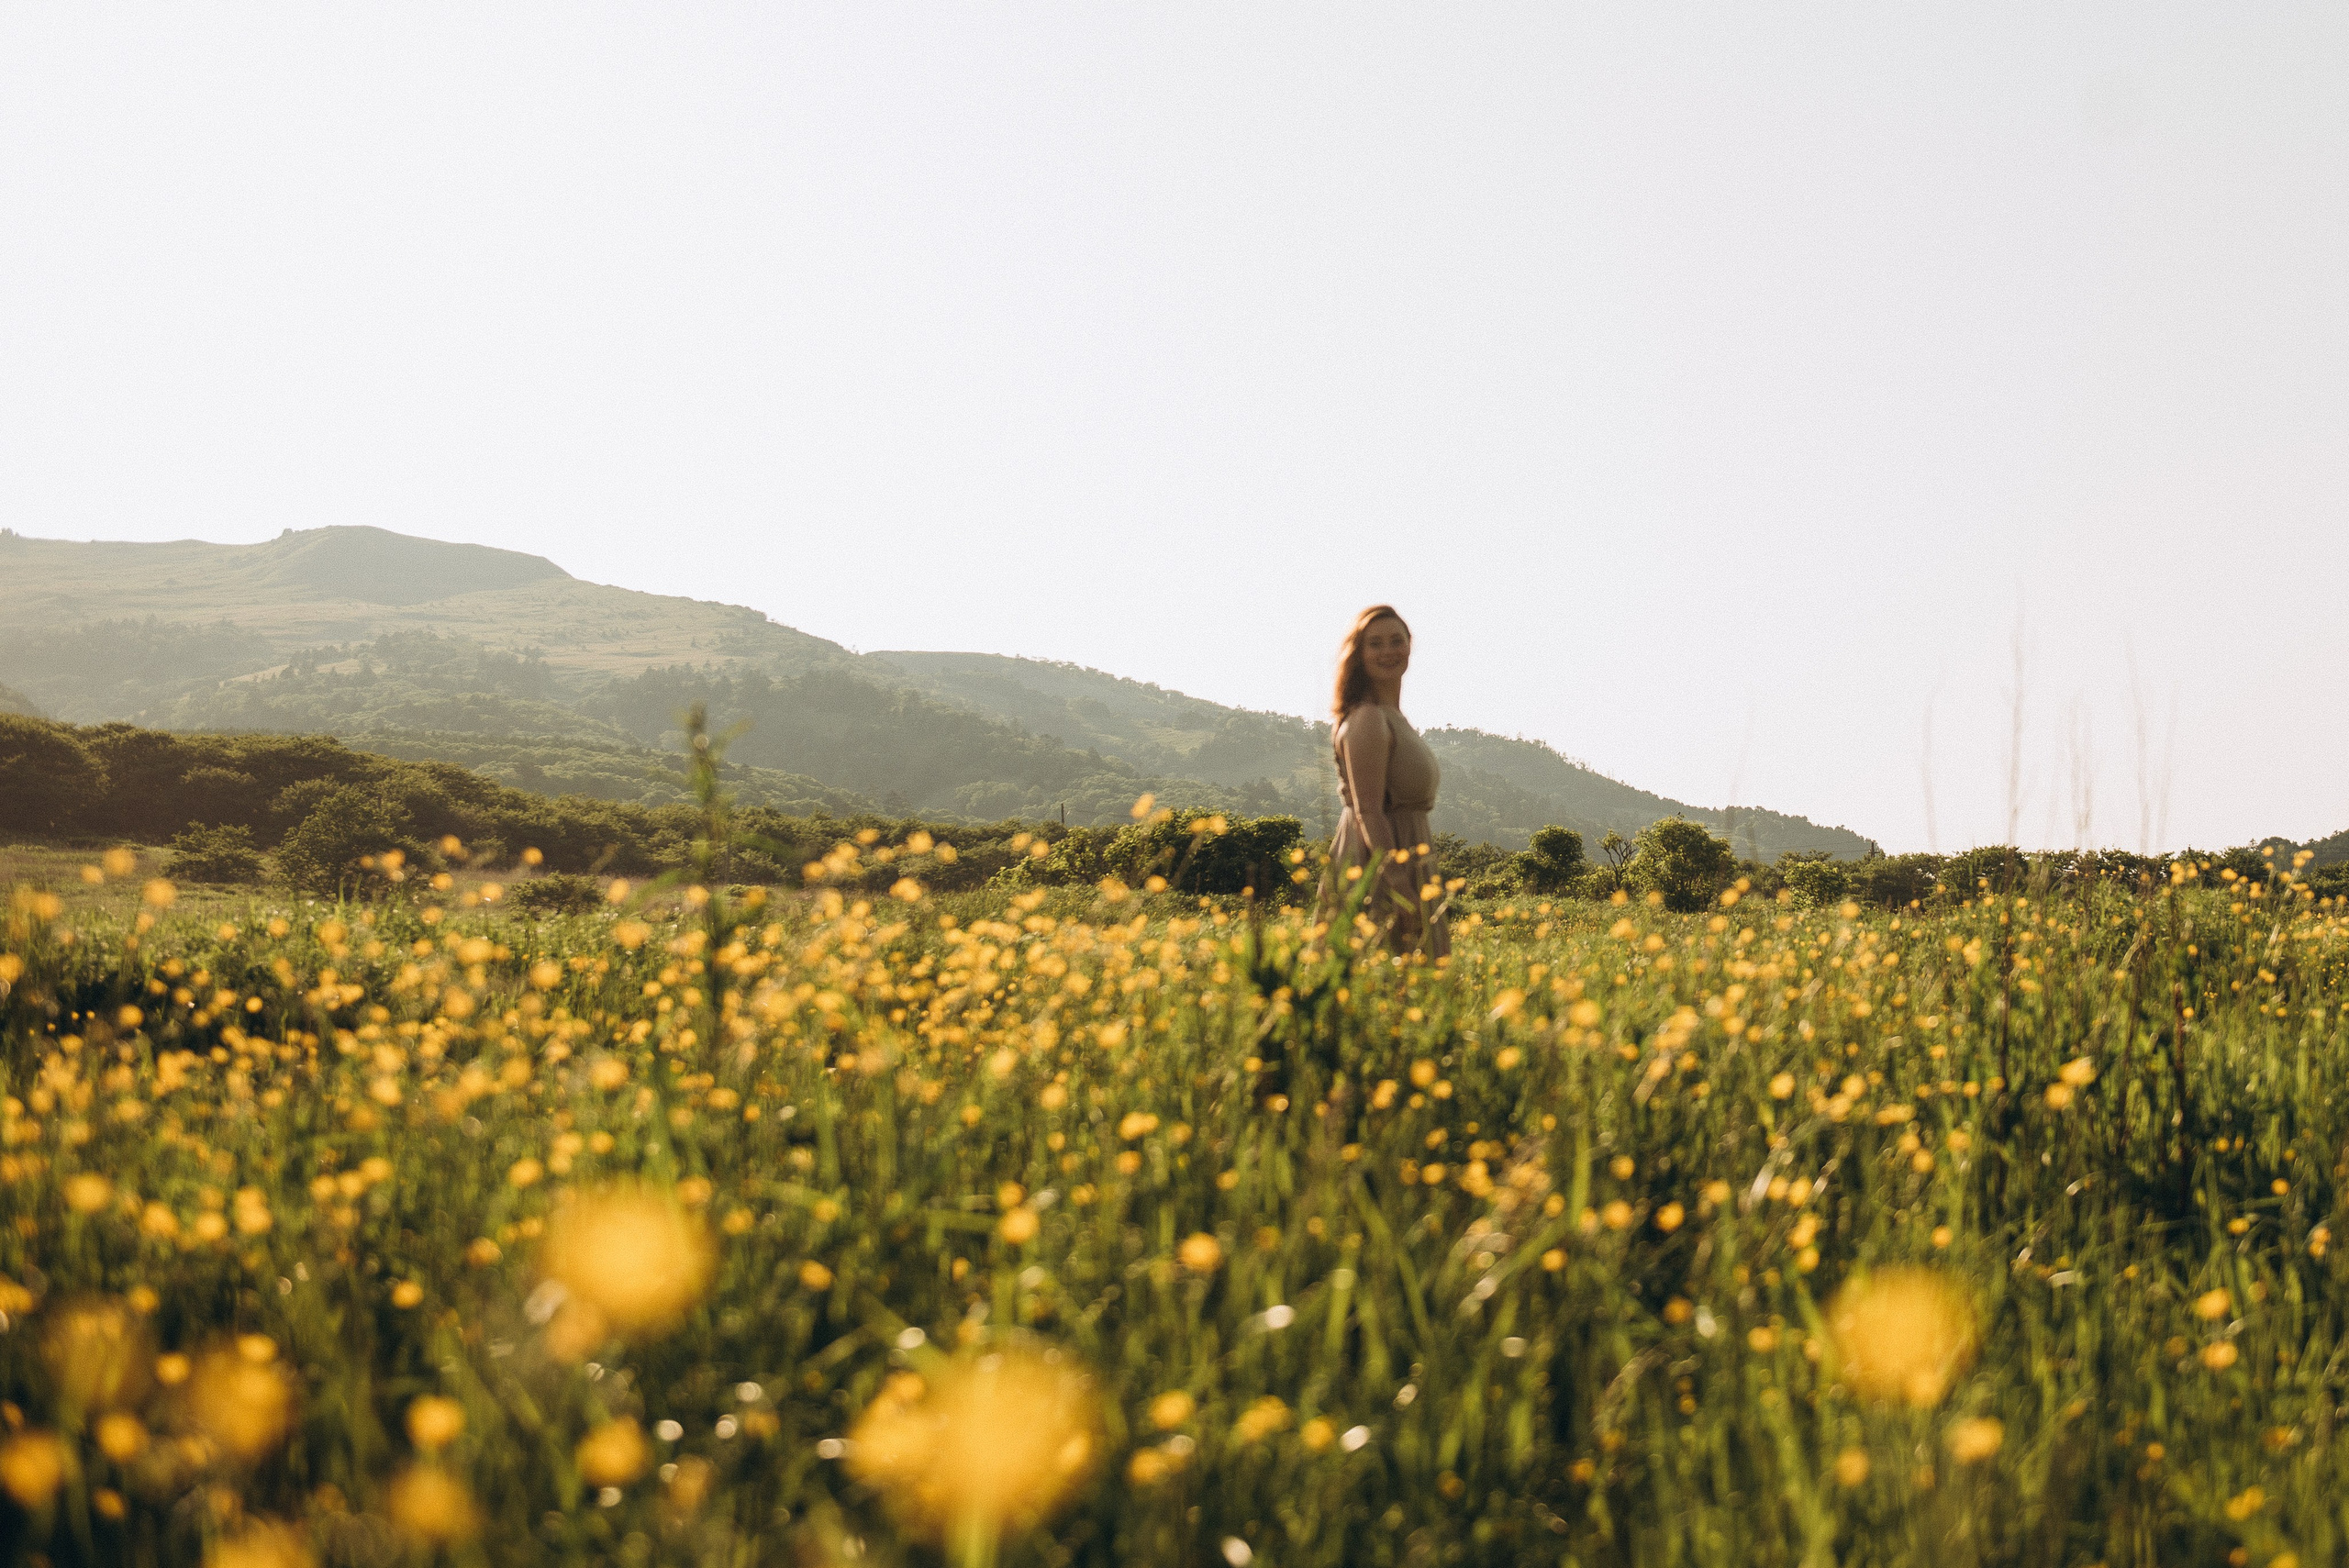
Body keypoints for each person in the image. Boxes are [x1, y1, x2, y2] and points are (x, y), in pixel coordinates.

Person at [1323, 604, 1449, 960]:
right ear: (1359, 653)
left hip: (1409, 857)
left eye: (1397, 641)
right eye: (1375, 643)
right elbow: (1369, 812)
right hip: (1378, 863)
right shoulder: (1367, 719)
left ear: (1410, 646)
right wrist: (1398, 885)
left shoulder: (1394, 717)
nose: (1388, 651)